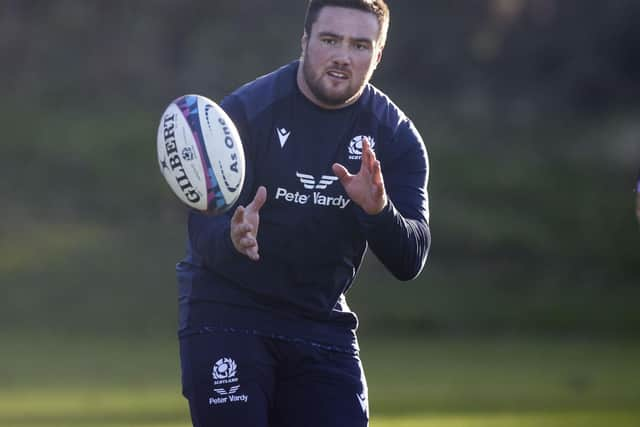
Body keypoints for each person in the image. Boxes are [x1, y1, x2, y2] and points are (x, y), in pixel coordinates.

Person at [176, 1, 431, 426]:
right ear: (305, 41)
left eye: (360, 45)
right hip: (228, 313)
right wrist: (232, 236)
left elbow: (411, 259)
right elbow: (202, 225)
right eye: (330, 40)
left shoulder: (395, 138)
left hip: (319, 319)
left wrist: (378, 210)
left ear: (378, 55)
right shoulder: (246, 113)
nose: (342, 56)